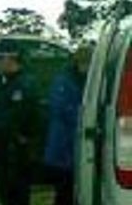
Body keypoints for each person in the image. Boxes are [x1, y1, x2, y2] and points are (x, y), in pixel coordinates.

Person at [0, 39, 41, 205]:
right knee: (6, 194)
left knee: (15, 195)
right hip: (6, 150)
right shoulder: (5, 81)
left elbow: (14, 118)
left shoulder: (24, 84)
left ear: (9, 59)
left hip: (16, 151)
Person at [43, 45, 92, 205]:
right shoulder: (64, 80)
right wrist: (87, 118)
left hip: (75, 144)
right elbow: (61, 108)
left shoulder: (87, 80)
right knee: (64, 189)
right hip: (64, 145)